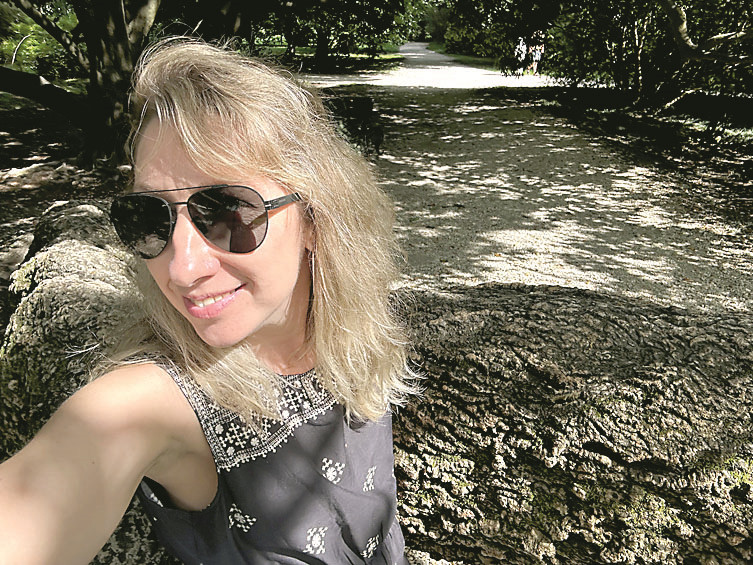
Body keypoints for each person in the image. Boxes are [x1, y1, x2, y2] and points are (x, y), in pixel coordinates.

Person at [0, 37, 417, 564]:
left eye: (226, 212)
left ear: (315, 217)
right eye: (148, 217)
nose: (182, 268)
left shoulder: (354, 331)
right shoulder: (151, 402)